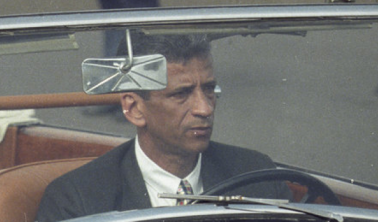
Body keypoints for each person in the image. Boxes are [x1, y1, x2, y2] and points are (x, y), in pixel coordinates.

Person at [36, 33, 287, 222]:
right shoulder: (78, 200)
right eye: (181, 94)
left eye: (209, 89)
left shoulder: (258, 176)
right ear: (134, 109)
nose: (205, 108)